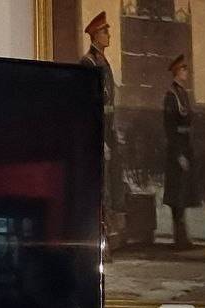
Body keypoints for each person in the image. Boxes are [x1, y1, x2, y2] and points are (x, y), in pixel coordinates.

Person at [79, 11, 123, 214]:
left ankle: (108, 216)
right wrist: (99, 139)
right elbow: (88, 105)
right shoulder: (88, 63)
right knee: (99, 179)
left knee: (111, 176)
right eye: (105, 32)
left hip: (108, 127)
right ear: (96, 35)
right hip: (96, 130)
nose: (109, 35)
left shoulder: (103, 61)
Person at [163, 54, 198, 249]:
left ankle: (183, 237)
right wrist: (179, 155)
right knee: (177, 195)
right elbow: (170, 128)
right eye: (184, 69)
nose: (186, 72)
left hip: (185, 146)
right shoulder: (171, 96)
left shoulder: (183, 93)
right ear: (177, 71)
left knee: (183, 194)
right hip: (176, 149)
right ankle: (179, 238)